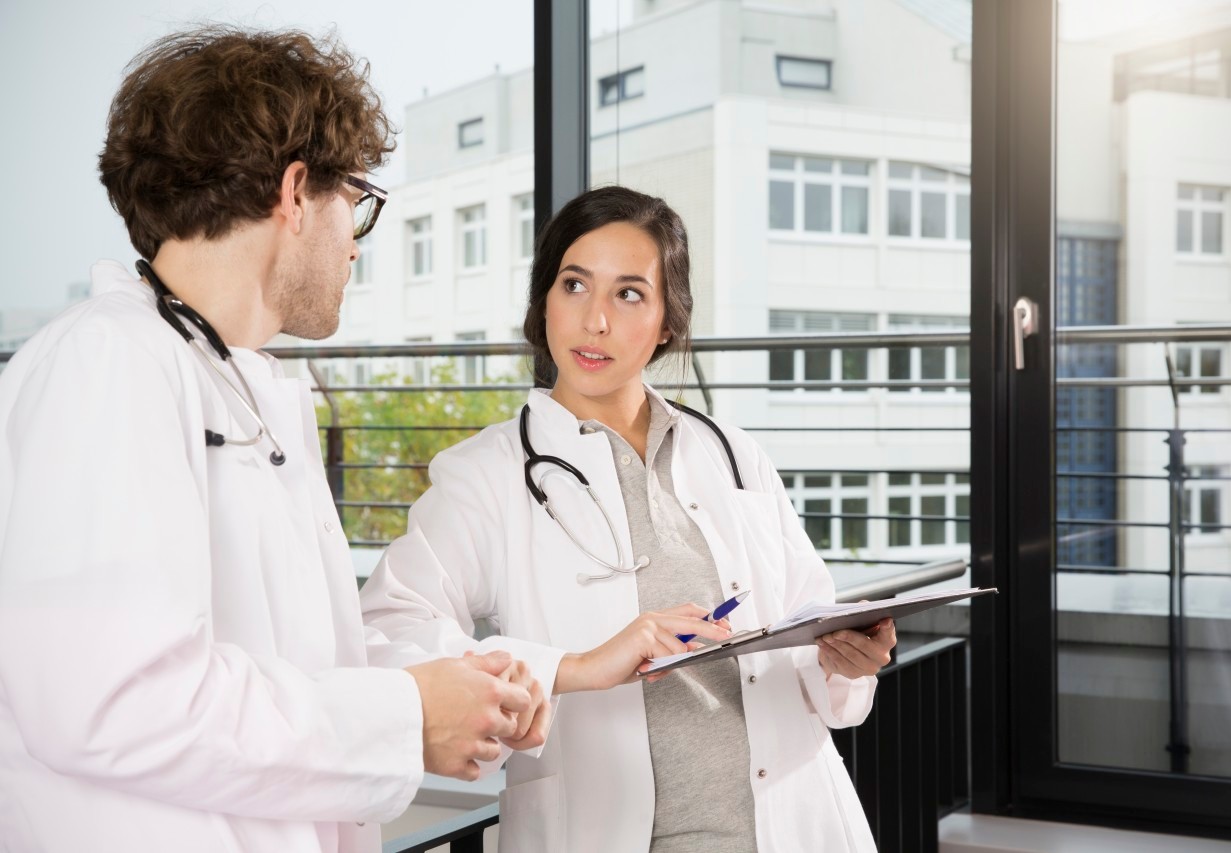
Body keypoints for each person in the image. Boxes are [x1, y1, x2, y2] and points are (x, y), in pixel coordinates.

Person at [0, 27, 548, 852]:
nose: (355, 242)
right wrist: (404, 716)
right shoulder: (105, 361)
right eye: (353, 199)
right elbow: (115, 702)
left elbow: (290, 656)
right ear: (295, 193)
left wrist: (451, 686)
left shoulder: (229, 377)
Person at [360, 185, 898, 852]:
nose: (595, 322)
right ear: (544, 300)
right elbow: (387, 631)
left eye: (629, 294)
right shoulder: (486, 476)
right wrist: (574, 665)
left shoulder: (733, 454)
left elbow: (807, 640)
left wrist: (847, 661)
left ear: (668, 319)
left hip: (791, 825)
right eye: (575, 285)